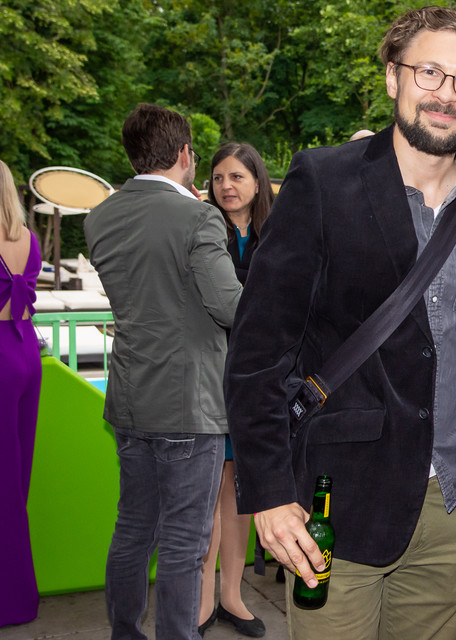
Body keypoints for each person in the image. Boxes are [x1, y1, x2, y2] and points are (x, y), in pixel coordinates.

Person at [224, 7, 456, 639]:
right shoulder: (324, 181)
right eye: (429, 72)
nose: (446, 93)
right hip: (335, 502)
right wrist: (270, 493)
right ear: (393, 76)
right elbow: (258, 352)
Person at [85, 103, 242, 639]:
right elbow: (229, 306)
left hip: (130, 398)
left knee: (133, 530)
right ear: (184, 154)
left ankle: (125, 632)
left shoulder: (101, 217)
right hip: (189, 403)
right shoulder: (198, 217)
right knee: (184, 542)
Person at [196, 142, 275, 637]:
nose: (226, 185)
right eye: (219, 177)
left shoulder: (278, 232)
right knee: (208, 494)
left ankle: (232, 596)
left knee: (240, 493)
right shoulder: (202, 230)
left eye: (237, 176)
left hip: (258, 379)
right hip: (210, 378)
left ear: (257, 182)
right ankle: (202, 600)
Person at [0, 159, 42, 628]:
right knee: (15, 482)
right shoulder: (28, 239)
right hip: (27, 353)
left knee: (2, 484)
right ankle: (18, 597)